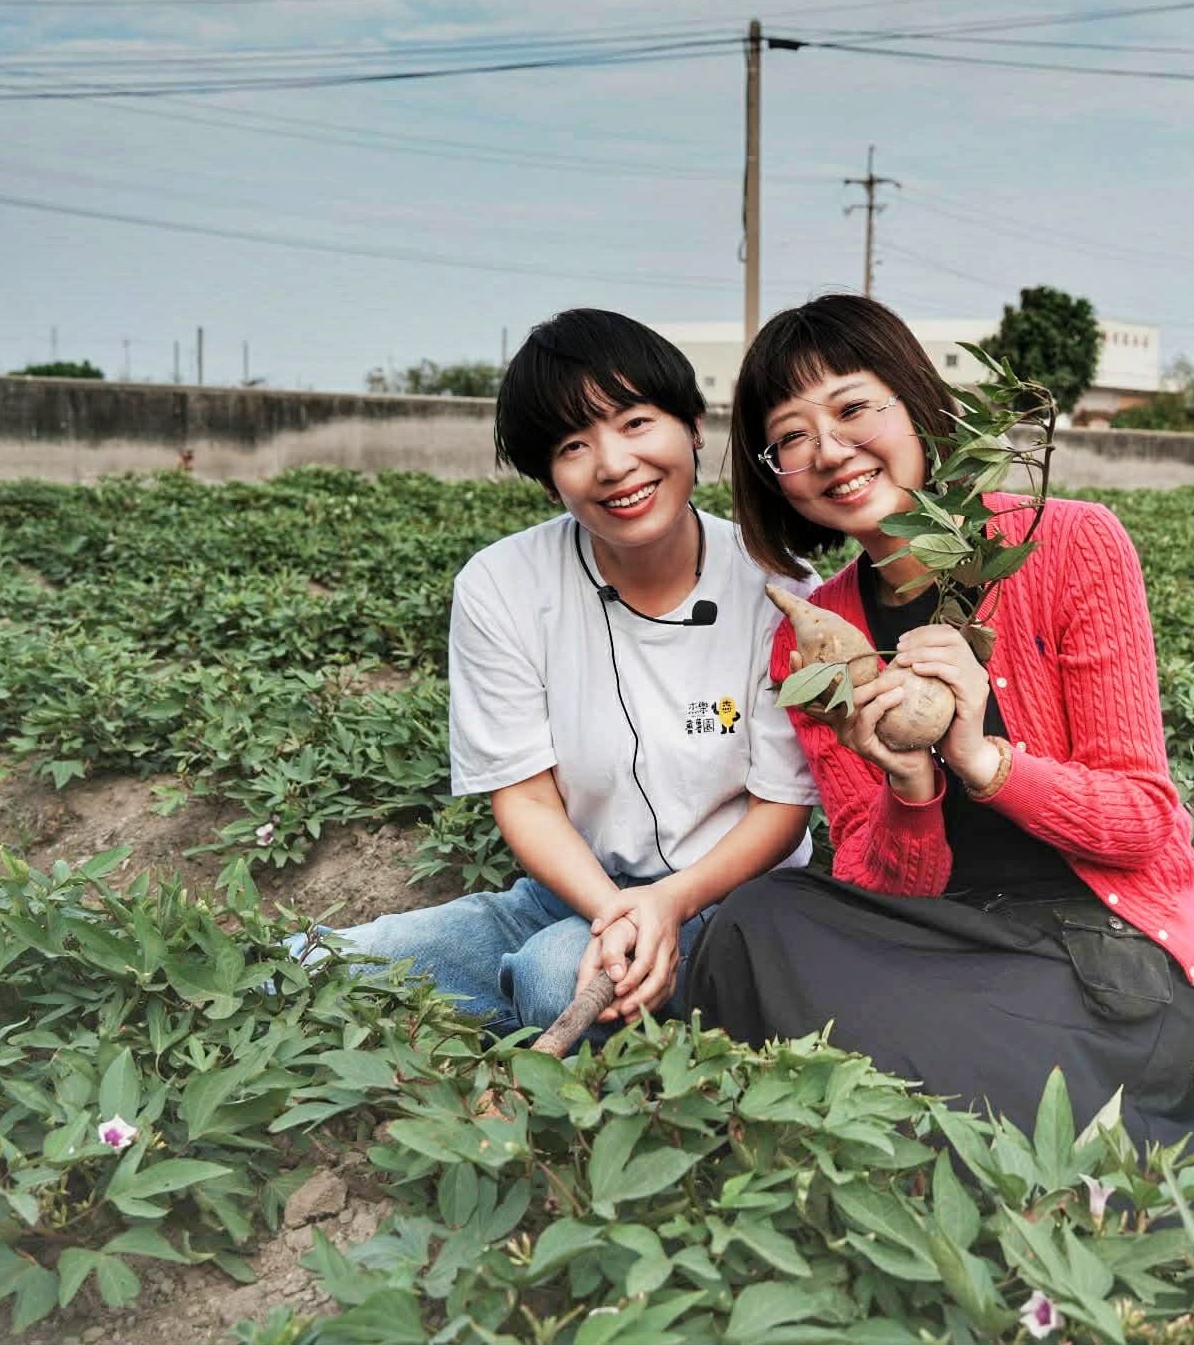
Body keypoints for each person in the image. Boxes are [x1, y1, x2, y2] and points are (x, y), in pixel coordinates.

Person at [687, 293, 1194, 1174]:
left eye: (853, 407)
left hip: (1093, 938)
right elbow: (876, 875)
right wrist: (909, 788)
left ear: (915, 402)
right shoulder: (813, 633)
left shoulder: (1069, 544)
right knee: (755, 923)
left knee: (973, 1082)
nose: (828, 449)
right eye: (790, 436)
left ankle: (1132, 1171)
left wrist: (984, 761)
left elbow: (1143, 822)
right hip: (942, 938)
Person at [292, 309, 818, 1049]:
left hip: (734, 899)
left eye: (636, 422)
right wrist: (615, 911)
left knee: (551, 977)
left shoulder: (779, 586)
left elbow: (783, 806)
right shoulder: (502, 584)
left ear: (694, 427)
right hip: (571, 892)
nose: (612, 464)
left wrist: (667, 905)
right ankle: (563, 981)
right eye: (574, 445)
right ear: (548, 481)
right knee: (309, 964)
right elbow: (530, 799)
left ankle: (557, 993)